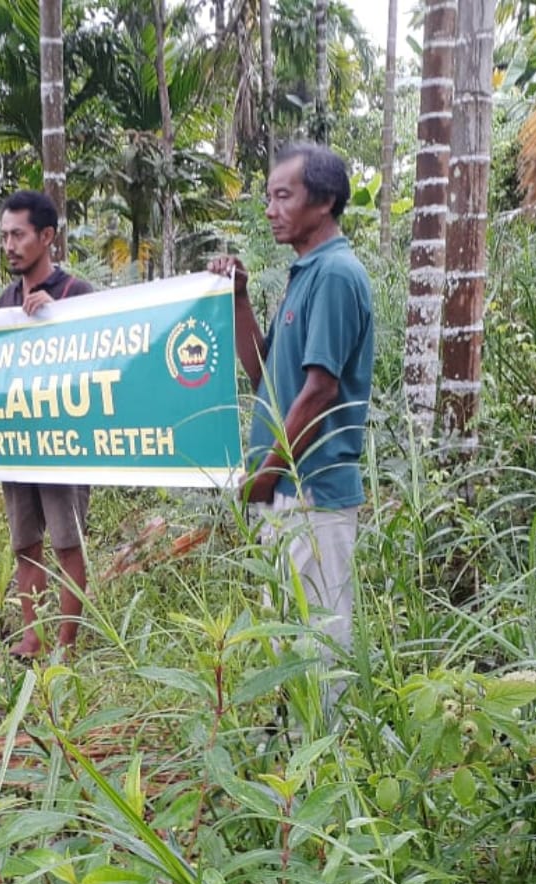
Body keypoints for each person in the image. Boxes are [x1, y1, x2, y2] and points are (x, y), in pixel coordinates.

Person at [210, 144, 375, 659]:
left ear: (323, 201)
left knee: (317, 640)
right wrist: (238, 299)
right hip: (287, 489)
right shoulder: (305, 274)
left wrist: (266, 474)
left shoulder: (335, 275)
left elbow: (321, 391)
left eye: (283, 196)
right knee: (284, 636)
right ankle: (289, 739)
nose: (270, 209)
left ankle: (324, 739)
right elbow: (266, 376)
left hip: (313, 490)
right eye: (269, 197)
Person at [0, 191, 94, 659]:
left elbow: (101, 358)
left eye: (18, 235)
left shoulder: (75, 293)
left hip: (63, 445)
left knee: (67, 543)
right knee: (25, 544)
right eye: (4, 236)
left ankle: (65, 645)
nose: (9, 245)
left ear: (46, 237)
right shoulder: (4, 299)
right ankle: (31, 637)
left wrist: (57, 319)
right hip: (16, 444)